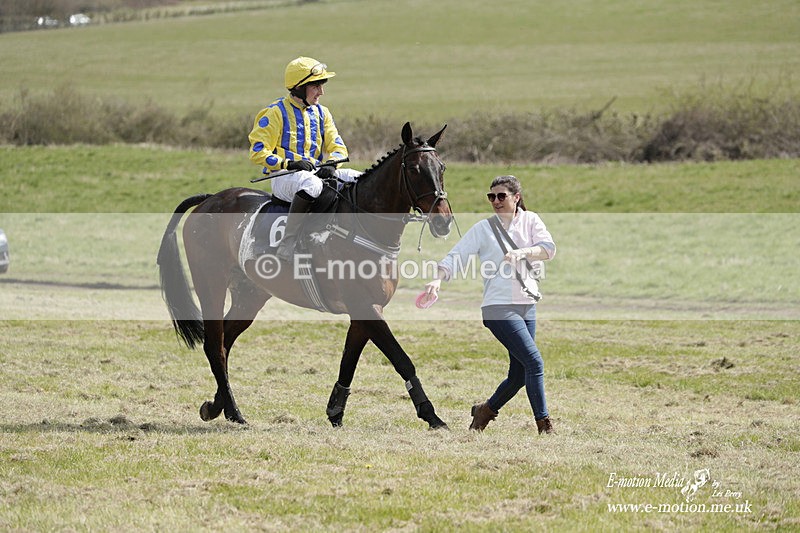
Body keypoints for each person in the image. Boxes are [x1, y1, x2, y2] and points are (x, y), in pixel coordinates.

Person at [423, 175, 557, 434]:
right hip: (498, 307)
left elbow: (548, 249)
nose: (495, 201)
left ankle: (485, 411)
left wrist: (523, 252)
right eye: (491, 197)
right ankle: (544, 424)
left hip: (527, 304)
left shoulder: (531, 221)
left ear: (516, 197)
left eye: (501, 196)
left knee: (519, 375)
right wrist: (437, 280)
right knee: (535, 363)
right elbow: (457, 255)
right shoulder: (483, 229)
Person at [248, 56, 361, 261]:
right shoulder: (274, 113)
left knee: (360, 179)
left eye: (321, 86)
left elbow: (339, 148)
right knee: (312, 185)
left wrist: (332, 165)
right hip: (284, 176)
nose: (321, 92)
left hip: (314, 173)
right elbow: (258, 152)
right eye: (316, 86)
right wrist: (289, 163)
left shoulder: (322, 113)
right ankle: (289, 241)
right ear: (299, 87)